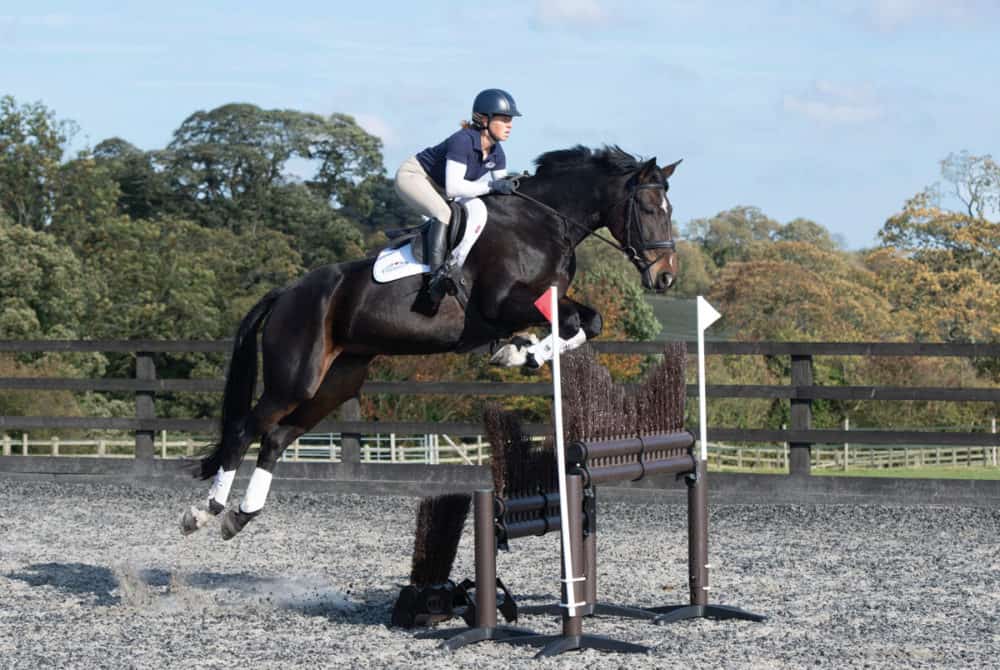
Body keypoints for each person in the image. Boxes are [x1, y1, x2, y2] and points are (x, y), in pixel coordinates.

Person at [394, 89, 522, 292]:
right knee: (443, 213)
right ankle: (436, 278)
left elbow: (501, 194)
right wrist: (491, 186)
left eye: (511, 120)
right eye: (505, 119)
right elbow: (455, 187)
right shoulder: (463, 141)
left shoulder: (498, 153)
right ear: (484, 119)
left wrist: (515, 185)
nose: (510, 125)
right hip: (414, 177)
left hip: (441, 189)